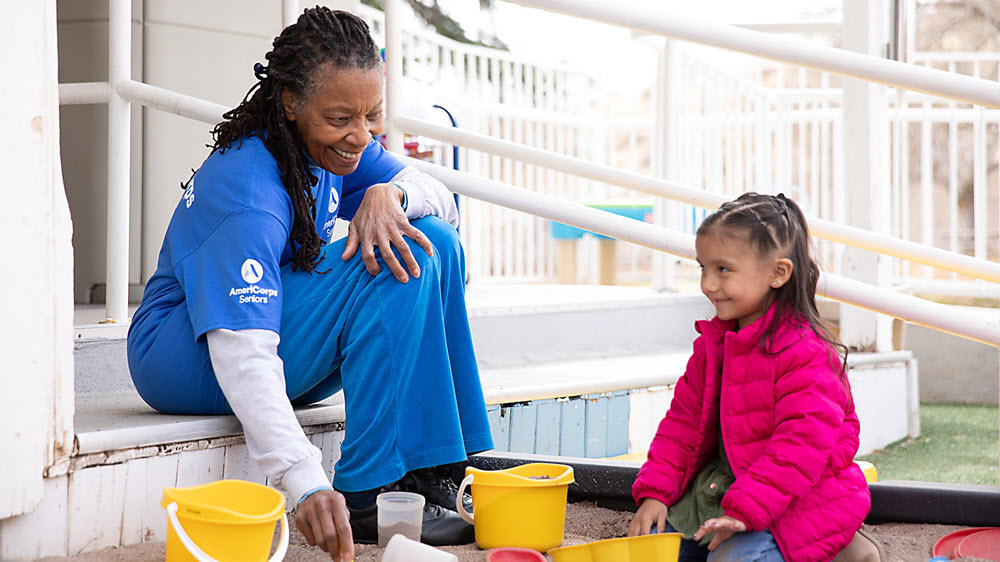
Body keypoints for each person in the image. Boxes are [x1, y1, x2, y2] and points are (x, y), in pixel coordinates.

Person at [126, 8, 493, 562]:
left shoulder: (326, 144)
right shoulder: (247, 190)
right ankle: (369, 491)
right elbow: (242, 351)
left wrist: (390, 195)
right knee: (392, 259)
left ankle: (436, 466)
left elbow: (441, 198)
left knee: (431, 237)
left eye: (372, 117)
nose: (360, 136)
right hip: (187, 355)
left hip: (261, 337)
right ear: (292, 104)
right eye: (343, 118)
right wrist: (304, 479)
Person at [627, 193, 871, 562]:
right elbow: (681, 426)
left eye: (723, 269)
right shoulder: (714, 345)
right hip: (722, 492)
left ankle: (850, 551)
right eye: (703, 268)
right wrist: (655, 494)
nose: (708, 284)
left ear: (778, 273)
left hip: (796, 504)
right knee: (650, 550)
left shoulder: (806, 353)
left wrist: (743, 512)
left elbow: (798, 450)